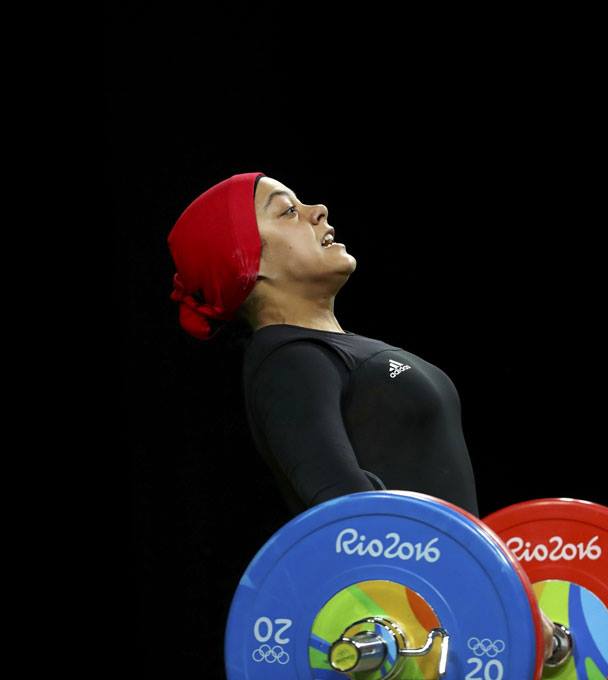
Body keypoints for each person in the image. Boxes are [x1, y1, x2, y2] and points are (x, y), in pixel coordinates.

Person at [166, 171, 555, 661]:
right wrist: (492, 599)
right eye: (288, 211)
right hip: (415, 629)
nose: (318, 211)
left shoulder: (330, 349)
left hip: (446, 609)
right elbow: (348, 507)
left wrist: (498, 597)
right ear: (248, 263)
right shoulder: (287, 359)